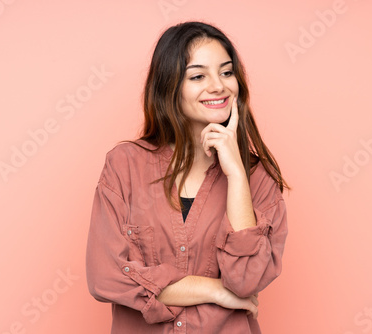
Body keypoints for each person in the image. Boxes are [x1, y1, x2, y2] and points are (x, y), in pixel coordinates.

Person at [86, 21, 290, 334]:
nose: (218, 86)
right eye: (198, 76)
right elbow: (106, 276)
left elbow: (246, 280)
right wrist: (215, 290)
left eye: (226, 72)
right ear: (169, 87)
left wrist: (236, 174)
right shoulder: (125, 165)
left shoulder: (258, 178)